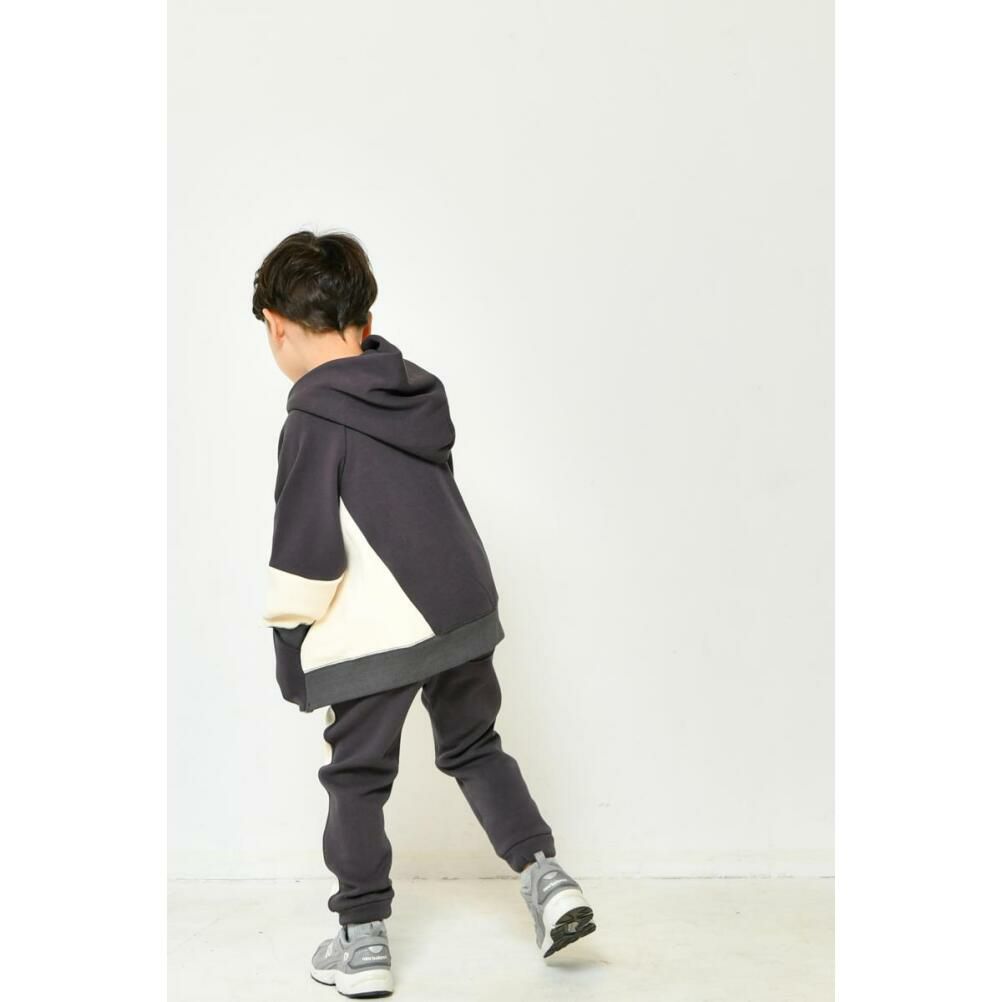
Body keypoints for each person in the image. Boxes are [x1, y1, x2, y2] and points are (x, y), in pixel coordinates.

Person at [251, 230, 596, 996]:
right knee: (475, 746)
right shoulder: (413, 396)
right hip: (462, 606)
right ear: (366, 324)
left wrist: (290, 646)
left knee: (356, 777)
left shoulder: (313, 418)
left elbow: (308, 549)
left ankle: (362, 940)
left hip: (379, 626)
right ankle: (547, 878)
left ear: (276, 327)